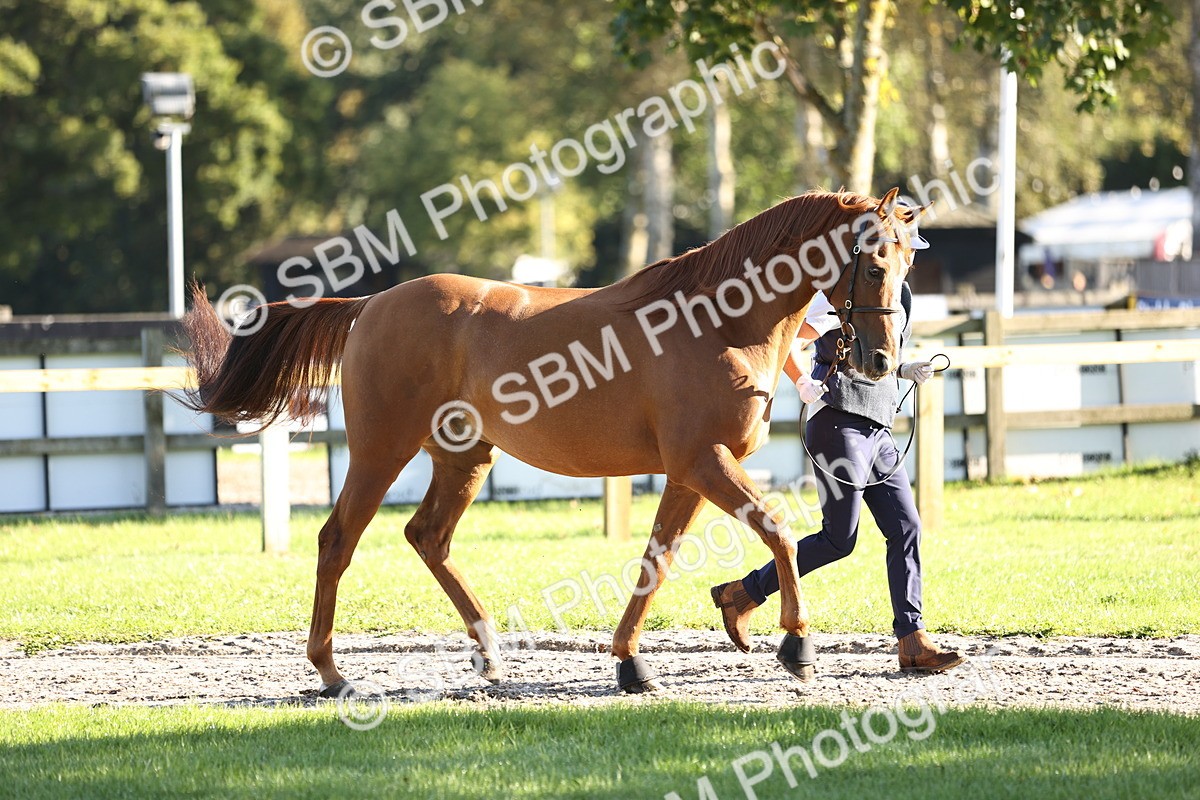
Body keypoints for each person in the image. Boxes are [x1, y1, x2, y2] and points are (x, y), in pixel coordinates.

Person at [711, 215, 965, 674]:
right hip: (838, 423)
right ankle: (743, 593)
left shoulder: (897, 295)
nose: (905, 262)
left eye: (911, 254)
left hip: (878, 426)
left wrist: (904, 369)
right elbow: (784, 338)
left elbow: (880, 352)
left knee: (906, 528)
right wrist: (802, 381)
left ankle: (912, 640)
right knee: (838, 539)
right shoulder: (842, 291)